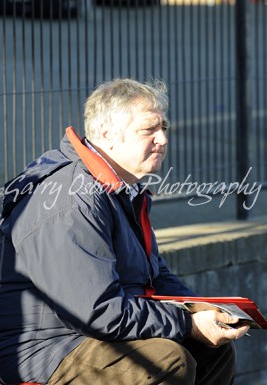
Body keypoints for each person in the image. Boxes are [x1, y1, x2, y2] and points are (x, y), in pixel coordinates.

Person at [0, 78, 249, 385]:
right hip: (48, 350)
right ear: (107, 135)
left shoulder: (122, 190)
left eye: (164, 128)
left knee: (213, 350)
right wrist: (187, 323)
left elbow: (154, 277)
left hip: (87, 335)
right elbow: (97, 313)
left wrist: (203, 309)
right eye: (149, 129)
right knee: (166, 360)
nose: (163, 139)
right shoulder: (71, 199)